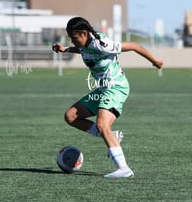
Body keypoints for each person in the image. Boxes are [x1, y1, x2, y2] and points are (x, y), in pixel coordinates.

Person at [52, 16, 163, 178]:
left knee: (102, 124)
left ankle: (124, 168)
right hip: (103, 89)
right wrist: (66, 49)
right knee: (71, 116)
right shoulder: (86, 43)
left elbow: (133, 46)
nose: (73, 41)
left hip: (115, 87)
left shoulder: (102, 44)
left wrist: (154, 61)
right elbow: (83, 49)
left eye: (74, 38)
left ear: (84, 33)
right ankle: (112, 136)